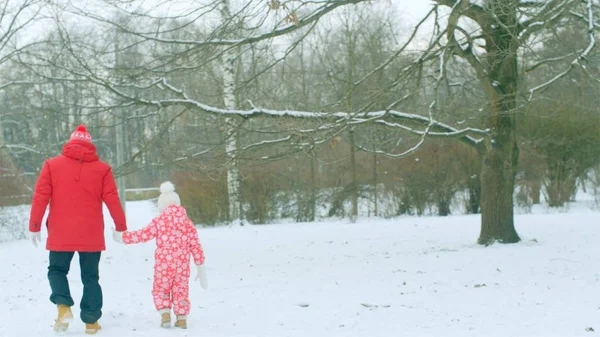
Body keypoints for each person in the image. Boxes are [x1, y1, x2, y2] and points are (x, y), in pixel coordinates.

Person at [28, 125, 127, 335]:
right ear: (90, 146)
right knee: (90, 277)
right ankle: (91, 322)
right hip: (90, 234)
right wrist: (120, 226)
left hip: (60, 232)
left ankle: (63, 307)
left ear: (70, 143)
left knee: (56, 270)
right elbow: (112, 198)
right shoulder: (103, 169)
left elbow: (40, 197)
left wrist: (35, 226)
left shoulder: (51, 166)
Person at [112, 181, 207, 329]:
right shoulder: (187, 223)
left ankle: (165, 315)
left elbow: (143, 234)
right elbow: (195, 244)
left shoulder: (159, 221)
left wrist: (124, 237)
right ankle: (182, 319)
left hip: (164, 264)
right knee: (181, 289)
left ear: (161, 205)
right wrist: (200, 265)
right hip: (182, 264)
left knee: (161, 288)